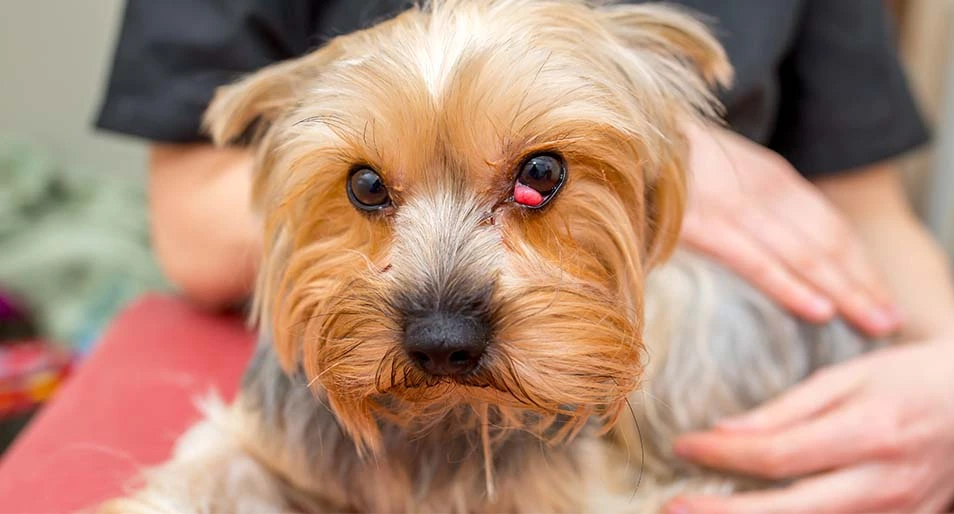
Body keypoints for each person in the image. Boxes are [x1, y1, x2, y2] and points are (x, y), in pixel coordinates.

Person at [96, 1, 954, 511]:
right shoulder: (277, 423)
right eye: (370, 192)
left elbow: (869, 214)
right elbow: (190, 218)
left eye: (536, 180)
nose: (439, 323)